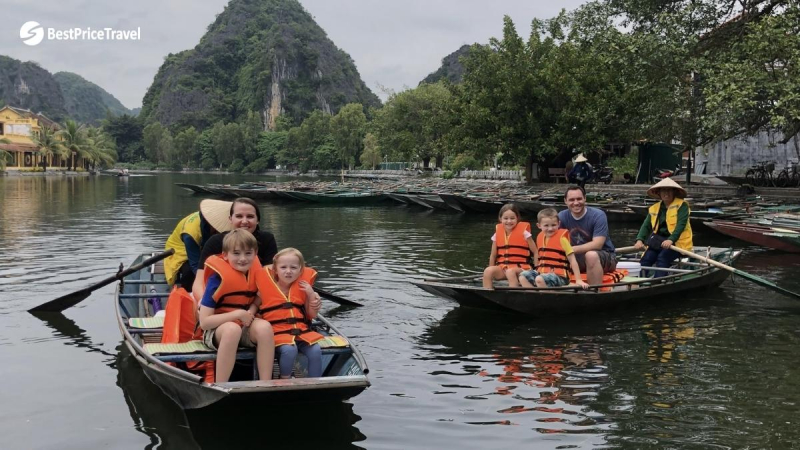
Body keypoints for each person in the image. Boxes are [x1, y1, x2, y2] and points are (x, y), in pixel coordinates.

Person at [198, 229, 275, 383]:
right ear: (225, 255)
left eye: (248, 253)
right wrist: (237, 314)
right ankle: (221, 385)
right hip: (217, 331)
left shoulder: (257, 275)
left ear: (255, 253)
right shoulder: (216, 280)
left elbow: (257, 300)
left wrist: (251, 311)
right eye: (236, 253)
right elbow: (205, 323)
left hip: (245, 324)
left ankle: (265, 384)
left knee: (265, 328)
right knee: (232, 330)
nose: (242, 259)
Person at [192, 197, 278, 302]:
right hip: (220, 302)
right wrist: (204, 303)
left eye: (250, 216)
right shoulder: (215, 241)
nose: (244, 221)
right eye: (239, 216)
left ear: (258, 220)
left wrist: (254, 306)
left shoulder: (267, 239)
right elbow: (199, 282)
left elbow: (269, 277)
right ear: (230, 219)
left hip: (255, 300)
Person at [255, 248, 324, 378]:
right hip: (277, 334)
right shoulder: (265, 287)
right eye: (283, 267)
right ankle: (285, 378)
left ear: (300, 270)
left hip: (301, 333)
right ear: (275, 269)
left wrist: (311, 295)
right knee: (289, 350)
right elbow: (255, 305)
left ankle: (317, 382)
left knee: (315, 350)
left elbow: (312, 315)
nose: (288, 271)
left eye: (293, 267)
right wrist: (250, 313)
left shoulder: (305, 289)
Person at [633, 178, 693, 277]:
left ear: (674, 192)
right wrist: (640, 240)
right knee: (647, 258)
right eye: (663, 190)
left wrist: (671, 240)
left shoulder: (682, 206)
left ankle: (658, 281)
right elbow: (646, 225)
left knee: (663, 257)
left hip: (678, 243)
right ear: (659, 193)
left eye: (669, 190)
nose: (666, 193)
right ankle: (638, 281)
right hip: (658, 241)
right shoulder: (654, 208)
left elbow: (680, 226)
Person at [558, 186, 617, 286]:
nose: (576, 203)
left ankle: (594, 291)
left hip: (604, 257)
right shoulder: (561, 216)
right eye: (571, 200)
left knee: (591, 255)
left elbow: (597, 244)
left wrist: (571, 250)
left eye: (579, 199)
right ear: (565, 201)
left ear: (585, 198)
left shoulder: (598, 215)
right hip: (575, 259)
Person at [518, 208, 589, 289]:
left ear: (559, 224)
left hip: (560, 277)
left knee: (539, 279)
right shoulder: (540, 237)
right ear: (539, 226)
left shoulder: (562, 239)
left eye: (553, 225)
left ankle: (545, 295)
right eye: (546, 225)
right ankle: (533, 295)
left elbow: (572, 260)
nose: (550, 228)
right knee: (522, 276)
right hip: (542, 274)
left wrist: (578, 280)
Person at [163, 202, 221, 290]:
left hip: (199, 245)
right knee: (189, 271)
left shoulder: (212, 219)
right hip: (179, 249)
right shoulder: (190, 234)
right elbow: (195, 264)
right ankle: (187, 292)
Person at [482, 204, 538, 289]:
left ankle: (513, 293)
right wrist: (492, 269)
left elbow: (535, 252)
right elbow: (493, 255)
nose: (509, 221)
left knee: (510, 272)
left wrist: (537, 270)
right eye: (506, 218)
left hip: (522, 269)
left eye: (512, 218)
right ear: (500, 219)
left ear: (517, 218)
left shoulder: (525, 233)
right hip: (503, 268)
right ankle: (487, 292)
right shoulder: (497, 234)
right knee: (488, 271)